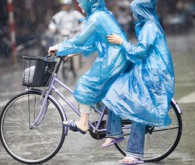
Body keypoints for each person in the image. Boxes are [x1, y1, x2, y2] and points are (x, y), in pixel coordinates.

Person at [101, 0, 175, 164]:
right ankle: (114, 133)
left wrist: (122, 42)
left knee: (138, 107)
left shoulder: (150, 27)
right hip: (145, 71)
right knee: (114, 90)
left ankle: (134, 153)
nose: (134, 15)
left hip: (153, 76)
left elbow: (140, 53)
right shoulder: (147, 26)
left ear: (142, 11)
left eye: (135, 11)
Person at [48, 0, 130, 134]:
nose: (79, 5)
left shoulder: (96, 18)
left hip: (113, 59)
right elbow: (92, 42)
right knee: (100, 93)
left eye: (81, 2)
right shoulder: (102, 15)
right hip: (114, 57)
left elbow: (80, 39)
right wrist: (72, 53)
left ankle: (83, 123)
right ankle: (114, 123)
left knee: (86, 85)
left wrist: (59, 47)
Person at [48, 0, 85, 79]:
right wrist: (53, 28)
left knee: (77, 51)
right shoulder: (59, 15)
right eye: (64, 5)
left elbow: (83, 22)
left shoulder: (76, 14)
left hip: (73, 35)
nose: (65, 6)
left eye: (67, 5)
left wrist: (80, 29)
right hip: (63, 36)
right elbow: (52, 23)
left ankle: (78, 63)